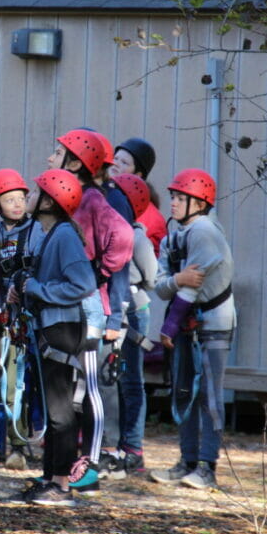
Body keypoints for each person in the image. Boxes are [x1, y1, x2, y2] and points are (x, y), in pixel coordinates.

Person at [49, 129, 134, 492]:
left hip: (90, 310)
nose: (50, 159)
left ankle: (94, 463)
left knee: (91, 388)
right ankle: (63, 466)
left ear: (75, 162)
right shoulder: (72, 198)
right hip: (68, 308)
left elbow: (124, 241)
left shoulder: (94, 200)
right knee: (68, 394)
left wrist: (100, 277)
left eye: (57, 153)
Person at [8, 169, 96, 507]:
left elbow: (82, 284)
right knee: (50, 408)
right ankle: (49, 479)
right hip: (49, 329)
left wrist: (39, 289)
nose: (28, 196)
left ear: (49, 201)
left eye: (35, 192)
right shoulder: (45, 233)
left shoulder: (63, 236)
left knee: (61, 411)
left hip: (62, 331)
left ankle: (61, 485)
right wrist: (22, 289)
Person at [149, 168, 235, 490]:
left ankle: (207, 466)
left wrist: (169, 323)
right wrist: (177, 280)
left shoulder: (204, 231)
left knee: (210, 396)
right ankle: (186, 460)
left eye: (180, 198)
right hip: (187, 322)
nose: (173, 202)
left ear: (199, 202)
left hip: (212, 322)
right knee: (183, 390)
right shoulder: (175, 236)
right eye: (172, 196)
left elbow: (192, 288)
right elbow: (161, 287)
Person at [107, 173, 158, 478]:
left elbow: (151, 277)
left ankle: (134, 448)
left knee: (131, 381)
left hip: (134, 312)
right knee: (112, 379)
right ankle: (115, 444)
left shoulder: (138, 236)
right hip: (115, 309)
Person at [0, 168, 34, 470]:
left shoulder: (33, 233)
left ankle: (19, 445)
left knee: (15, 383)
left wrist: (20, 287)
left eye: (21, 198)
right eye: (9, 199)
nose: (17, 204)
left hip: (19, 320)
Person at [111, 137, 167, 255]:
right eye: (115, 158)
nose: (115, 164)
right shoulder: (104, 196)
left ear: (138, 175)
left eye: (124, 162)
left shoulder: (150, 216)